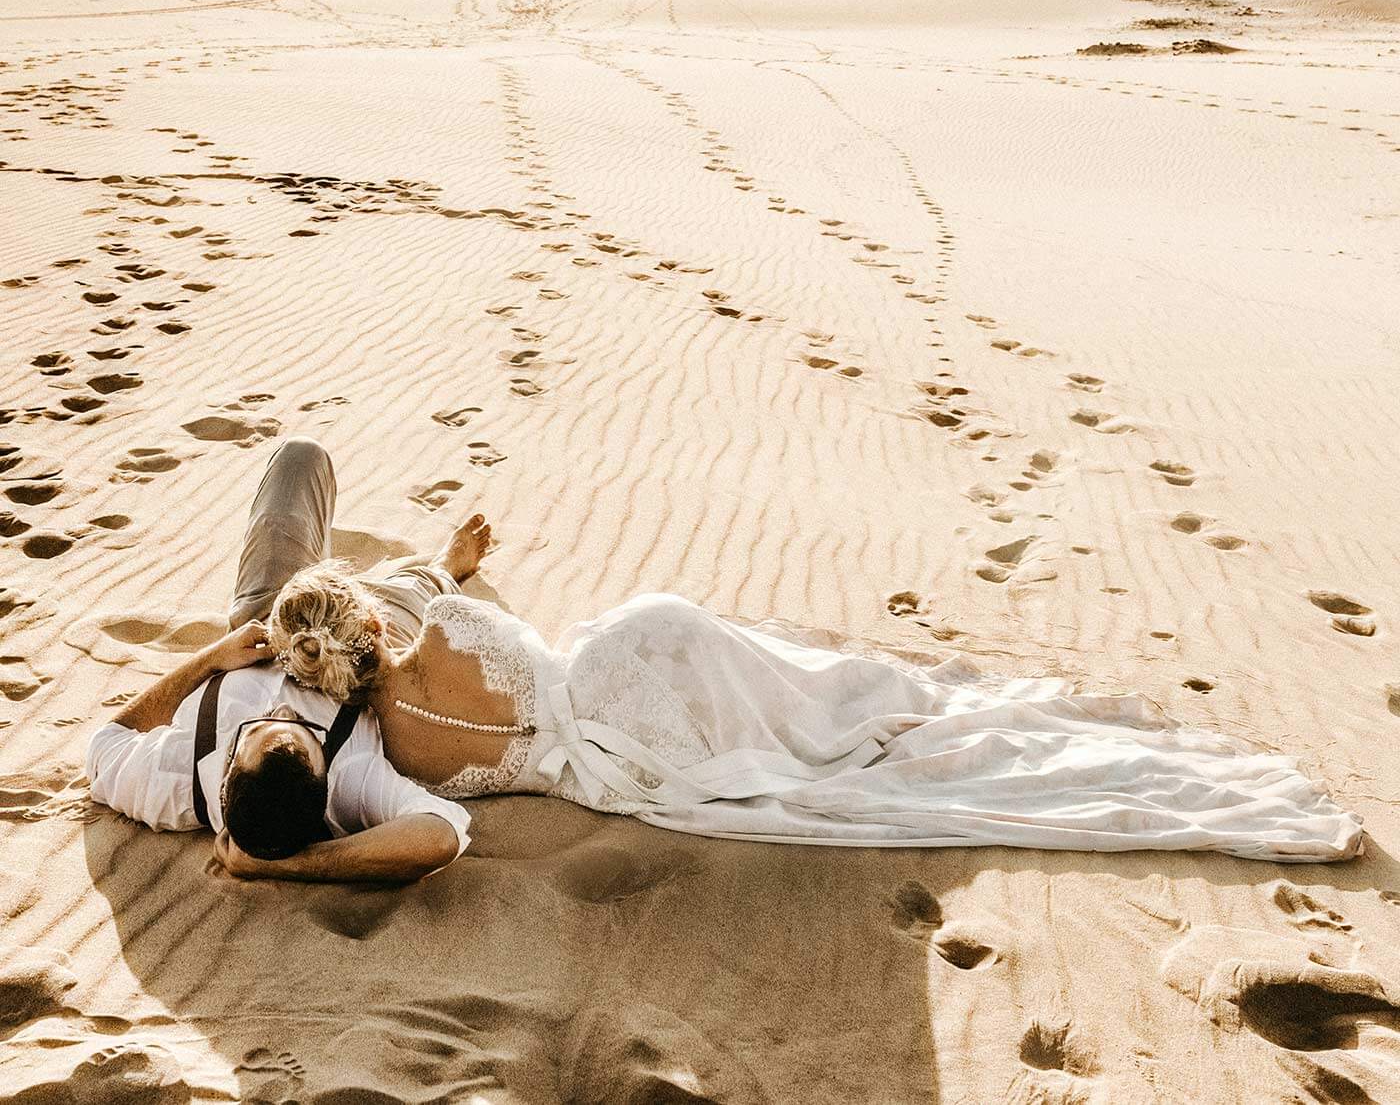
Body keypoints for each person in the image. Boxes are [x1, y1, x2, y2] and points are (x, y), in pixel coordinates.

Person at [268, 565, 1360, 865]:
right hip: (632, 655)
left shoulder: (393, 755)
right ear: (366, 614)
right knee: (817, 701)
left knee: (795, 746)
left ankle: (871, 723)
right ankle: (880, 712)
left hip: (614, 764)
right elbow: (510, 637)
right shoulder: (452, 621)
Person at [85, 439, 491, 884]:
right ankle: (443, 568)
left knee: (301, 458)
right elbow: (444, 832)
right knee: (418, 590)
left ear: (224, 779)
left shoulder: (174, 779)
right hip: (364, 650)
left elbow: (108, 744)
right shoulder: (354, 783)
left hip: (268, 619)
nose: (280, 709)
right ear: (326, 785)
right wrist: (297, 865)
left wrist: (209, 659)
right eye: (307, 731)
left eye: (255, 729)